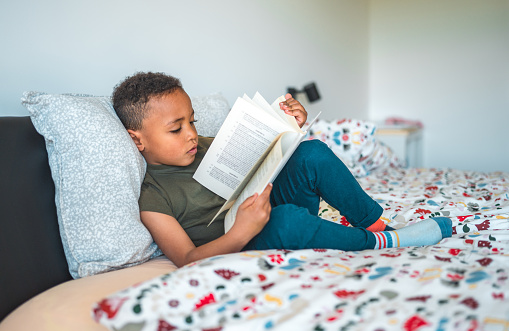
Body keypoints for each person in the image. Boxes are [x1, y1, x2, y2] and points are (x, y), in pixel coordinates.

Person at [112, 71, 452, 268]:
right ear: (137, 140)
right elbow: (187, 258)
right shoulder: (152, 197)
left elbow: (270, 154)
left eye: (192, 121)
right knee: (288, 220)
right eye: (176, 129)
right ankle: (385, 241)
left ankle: (375, 221)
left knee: (311, 153)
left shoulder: (203, 144)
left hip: (267, 204)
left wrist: (292, 126)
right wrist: (240, 232)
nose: (190, 134)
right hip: (243, 239)